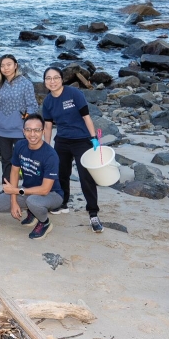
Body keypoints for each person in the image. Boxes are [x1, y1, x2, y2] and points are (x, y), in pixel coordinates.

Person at [42, 66, 104, 233]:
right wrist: (46, 148)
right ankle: (63, 202)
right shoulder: (47, 101)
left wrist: (94, 139)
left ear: (62, 79)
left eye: (55, 78)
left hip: (81, 140)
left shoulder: (74, 94)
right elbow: (47, 127)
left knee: (86, 177)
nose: (52, 81)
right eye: (48, 78)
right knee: (61, 174)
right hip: (62, 140)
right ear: (45, 82)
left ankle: (93, 213)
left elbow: (87, 117)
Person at [0, 114, 62, 240]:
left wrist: (16, 191)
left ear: (43, 131)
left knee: (33, 201)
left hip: (52, 194)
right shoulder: (20, 146)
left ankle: (44, 222)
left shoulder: (50, 155)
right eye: (28, 130)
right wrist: (13, 201)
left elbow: (45, 189)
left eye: (37, 130)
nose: (32, 134)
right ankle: (32, 213)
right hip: (29, 190)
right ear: (23, 131)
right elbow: (14, 172)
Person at [0, 54, 38, 184]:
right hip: (3, 130)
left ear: (15, 65)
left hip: (20, 130)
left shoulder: (26, 84)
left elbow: (32, 105)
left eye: (9, 65)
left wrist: (28, 125)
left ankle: (28, 189)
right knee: (6, 161)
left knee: (24, 161)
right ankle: (7, 190)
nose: (6, 68)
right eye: (2, 66)